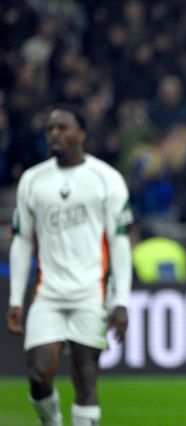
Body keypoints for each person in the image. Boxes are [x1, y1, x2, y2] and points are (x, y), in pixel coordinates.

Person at [5, 104, 133, 426]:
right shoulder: (33, 181)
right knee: (38, 375)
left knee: (85, 377)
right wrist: (16, 300)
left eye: (63, 128)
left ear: (82, 134)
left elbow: (119, 242)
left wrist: (121, 302)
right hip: (48, 294)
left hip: (91, 294)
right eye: (50, 129)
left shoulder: (107, 179)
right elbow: (22, 241)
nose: (55, 134)